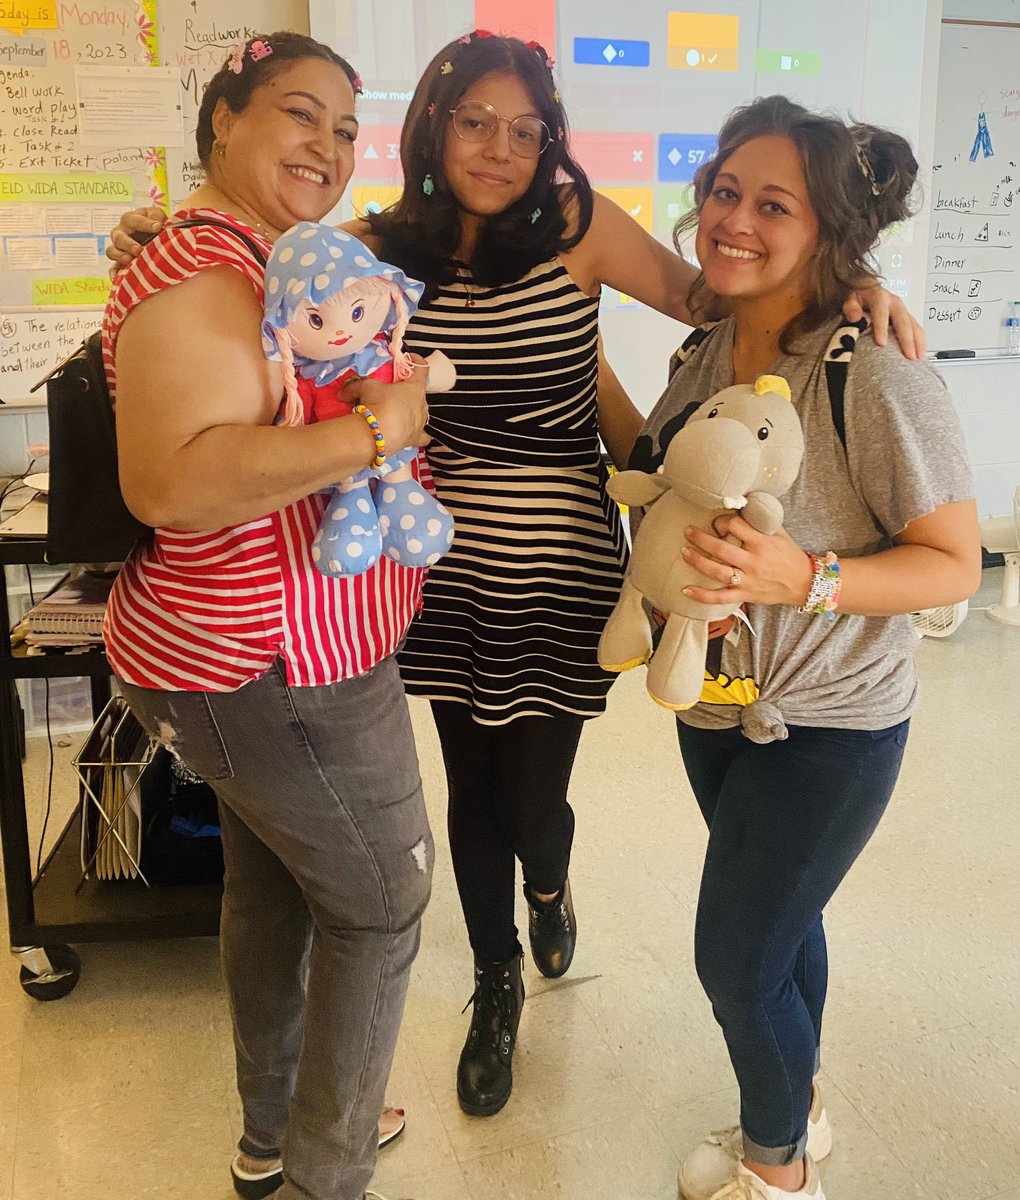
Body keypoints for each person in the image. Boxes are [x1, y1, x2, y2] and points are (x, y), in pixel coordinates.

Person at [107, 31, 924, 1121]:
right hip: (439, 555)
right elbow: (263, 270)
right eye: (473, 122)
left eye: (525, 129)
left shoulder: (577, 226)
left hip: (560, 556)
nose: (498, 148)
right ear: (434, 127)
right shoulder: (372, 243)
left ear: (551, 141)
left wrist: (858, 276)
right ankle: (497, 984)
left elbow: (709, 291)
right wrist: (153, 230)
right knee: (471, 793)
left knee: (537, 799)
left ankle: (552, 881)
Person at [626, 96, 980, 1200]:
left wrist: (806, 577)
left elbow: (954, 565)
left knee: (734, 956)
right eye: (725, 190)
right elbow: (666, 471)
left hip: (831, 727)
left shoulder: (871, 369)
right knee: (783, 930)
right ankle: (805, 1103)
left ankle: (777, 1172)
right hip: (716, 710)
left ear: (830, 233)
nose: (735, 218)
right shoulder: (703, 349)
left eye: (773, 203)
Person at [103, 32, 431, 1200]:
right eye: (301, 114)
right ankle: (322, 1175)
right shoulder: (210, 267)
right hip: (282, 670)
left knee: (280, 885)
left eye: (346, 128)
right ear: (223, 120)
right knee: (383, 905)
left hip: (250, 661)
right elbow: (173, 482)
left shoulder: (272, 255)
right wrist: (380, 430)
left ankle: (269, 1136)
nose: (330, 146)